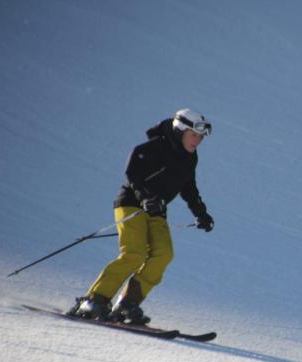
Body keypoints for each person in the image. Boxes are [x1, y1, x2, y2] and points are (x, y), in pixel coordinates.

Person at [67, 108, 215, 324]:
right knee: (134, 254)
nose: (198, 141)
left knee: (163, 254)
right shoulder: (154, 147)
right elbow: (133, 172)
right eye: (194, 135)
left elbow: (189, 188)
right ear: (179, 130)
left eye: (201, 137)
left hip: (156, 211)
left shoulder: (190, 158)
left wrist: (201, 213)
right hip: (130, 204)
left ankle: (127, 304)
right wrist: (145, 197)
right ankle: (94, 300)